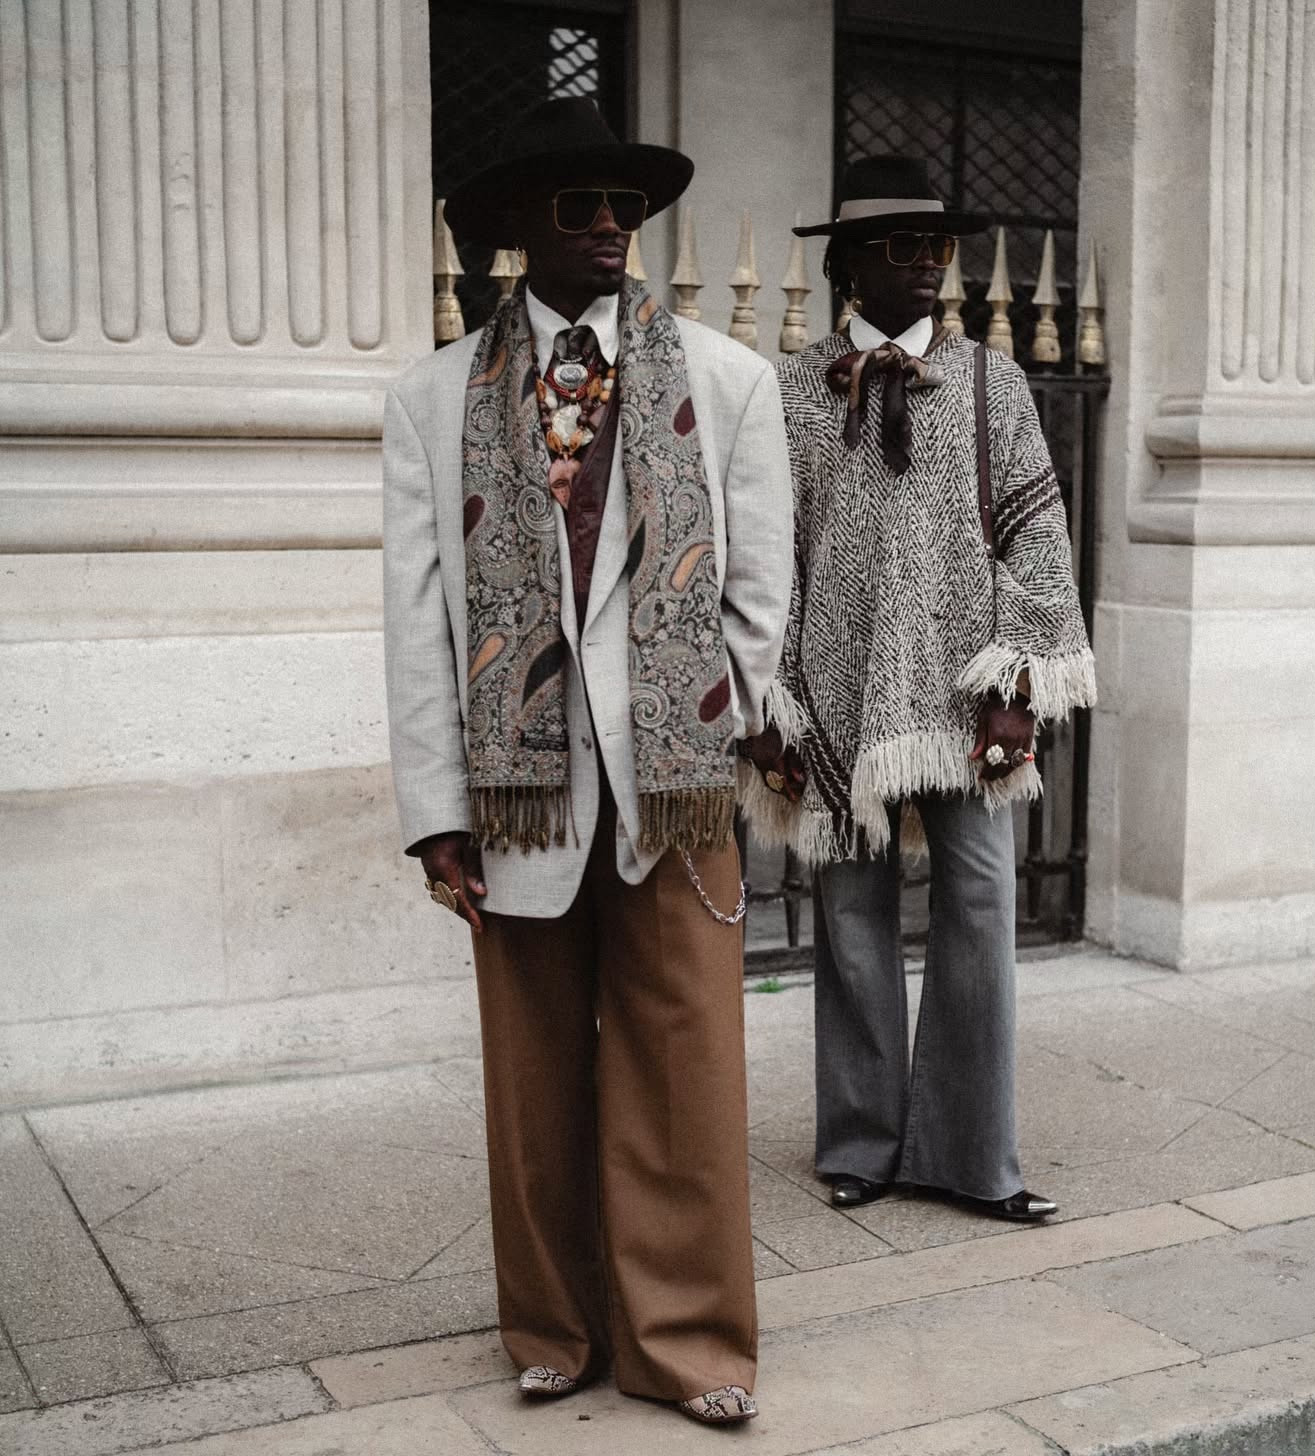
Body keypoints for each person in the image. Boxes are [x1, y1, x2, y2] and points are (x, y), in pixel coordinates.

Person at [382, 98, 792, 1426]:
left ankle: (689, 1344)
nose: (609, 224)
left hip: (674, 782)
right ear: (512, 227)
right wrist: (439, 809)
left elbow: (756, 596)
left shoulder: (730, 380)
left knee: (685, 1067)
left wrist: (704, 726)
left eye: (624, 202)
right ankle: (554, 1326)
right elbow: (416, 620)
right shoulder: (431, 398)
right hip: (517, 785)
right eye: (577, 203)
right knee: (534, 1070)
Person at [740, 155, 1095, 1220]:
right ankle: (861, 1141)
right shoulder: (793, 389)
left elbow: (1036, 537)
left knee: (981, 905)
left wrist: (1018, 679)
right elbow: (771, 551)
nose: (929, 264)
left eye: (938, 244)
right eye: (900, 244)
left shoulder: (997, 381)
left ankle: (973, 1156)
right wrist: (775, 699)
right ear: (848, 263)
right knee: (851, 917)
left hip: (964, 688)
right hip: (835, 684)